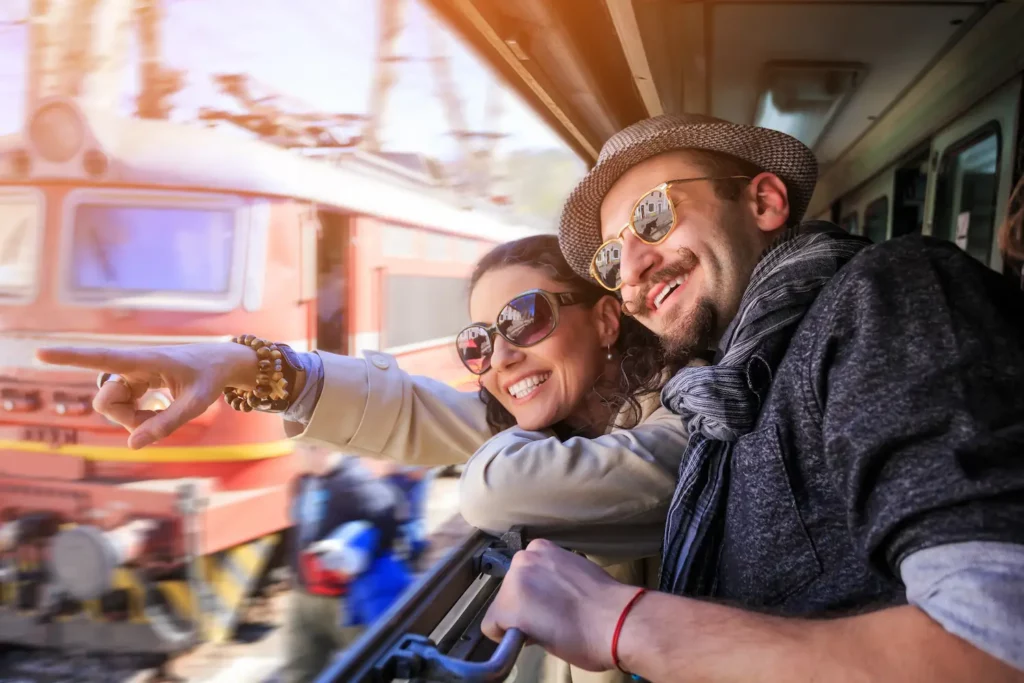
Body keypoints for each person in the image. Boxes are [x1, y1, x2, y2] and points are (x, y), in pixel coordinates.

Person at [471, 114, 1024, 681]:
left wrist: (617, 621)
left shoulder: (888, 297)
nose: (631, 269)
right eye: (611, 259)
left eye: (653, 216)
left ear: (764, 203)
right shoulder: (729, 388)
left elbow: (996, 647)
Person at [36, 235, 693, 683]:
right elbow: (405, 406)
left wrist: (486, 434)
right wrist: (242, 362)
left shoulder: (688, 424)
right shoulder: (576, 423)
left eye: (525, 318)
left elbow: (490, 477)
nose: (499, 357)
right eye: (479, 343)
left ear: (607, 321)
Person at [283, 446, 408, 683]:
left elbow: (390, 522)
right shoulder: (303, 482)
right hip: (304, 595)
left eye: (301, 449)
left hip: (344, 600)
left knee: (364, 667)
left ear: (320, 449)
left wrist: (358, 560)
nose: (296, 454)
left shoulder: (356, 483)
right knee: (300, 670)